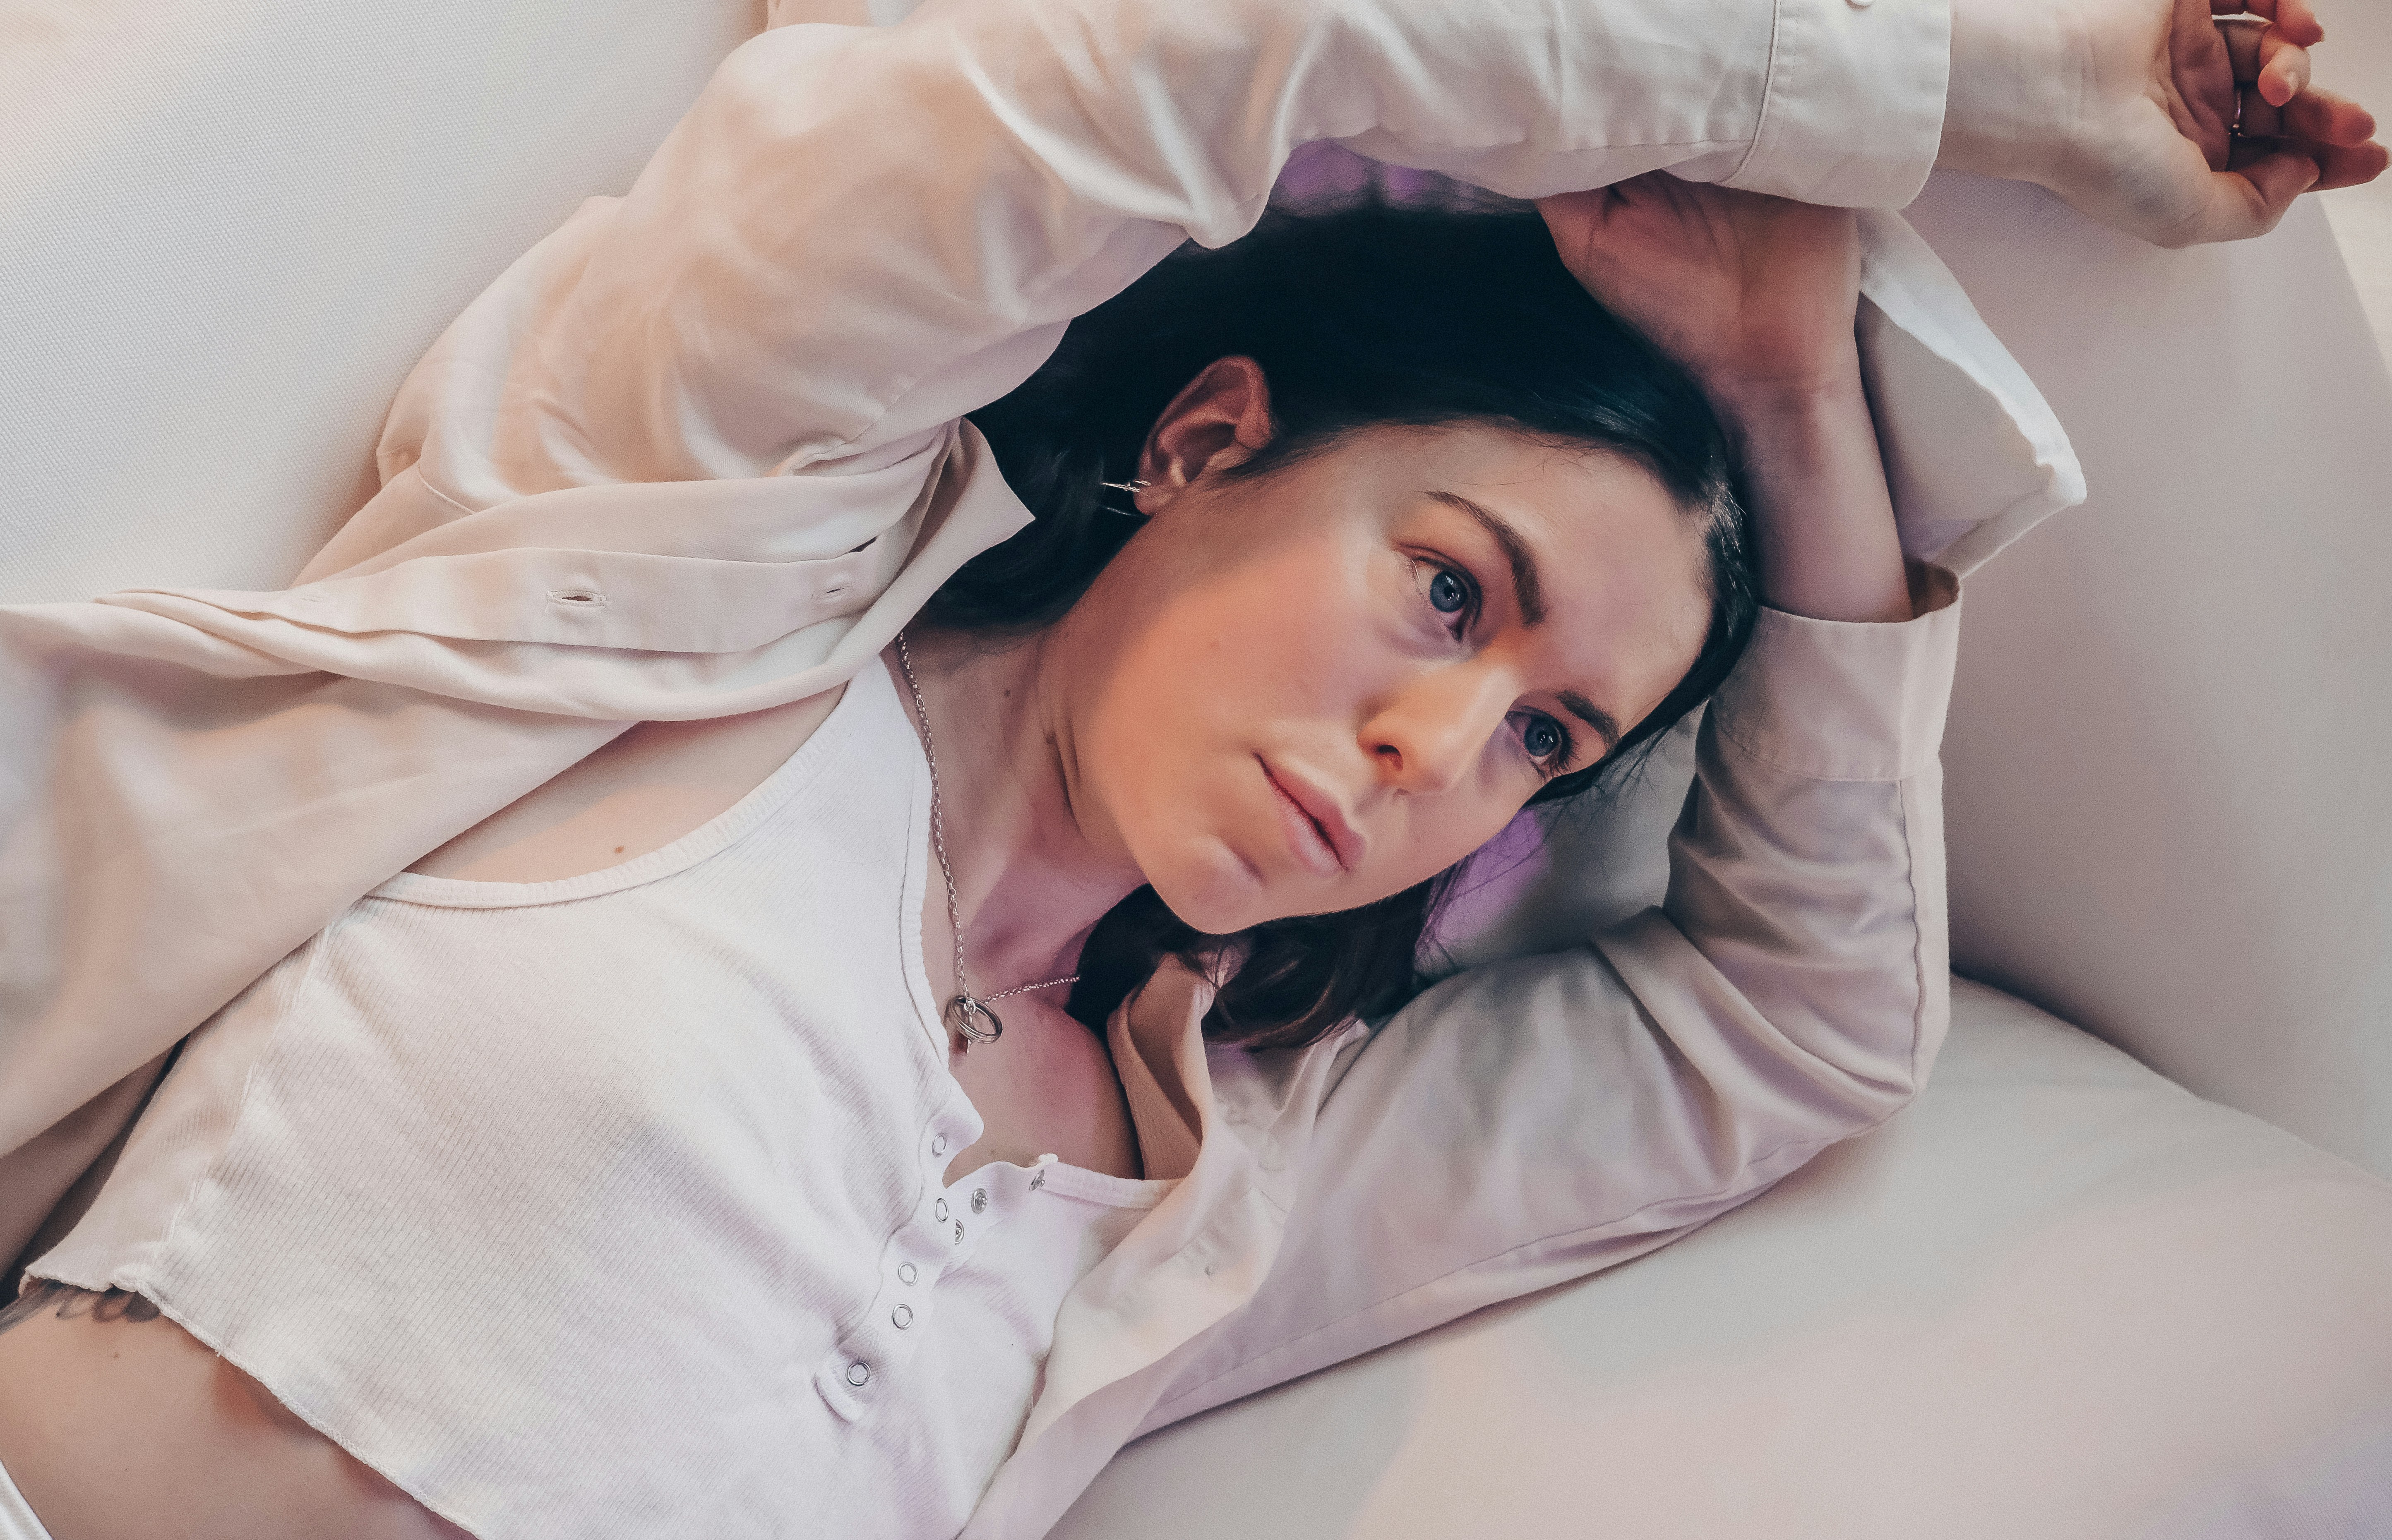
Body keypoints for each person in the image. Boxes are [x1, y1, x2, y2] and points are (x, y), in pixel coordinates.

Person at [0, 0, 2379, 1537]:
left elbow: (1804, 1023)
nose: (1442, 754)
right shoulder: (705, 557)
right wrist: (1950, 89)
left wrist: (1788, 407)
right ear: (1207, 441)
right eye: (1447, 590)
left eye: (1549, 738)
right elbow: (1139, 68)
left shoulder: (1227, 1182)